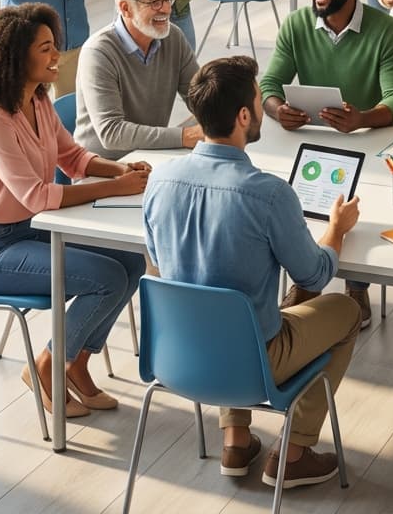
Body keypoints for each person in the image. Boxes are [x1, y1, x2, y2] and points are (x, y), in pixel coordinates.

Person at [143, 55, 361, 488]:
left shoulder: (159, 181)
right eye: (260, 101)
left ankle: (236, 441)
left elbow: (161, 265)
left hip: (177, 354)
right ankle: (294, 452)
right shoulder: (268, 195)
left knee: (218, 293)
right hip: (253, 360)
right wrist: (336, 230)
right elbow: (314, 276)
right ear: (244, 115)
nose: (263, 108)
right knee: (346, 310)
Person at [0, 4, 148, 418]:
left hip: (36, 230)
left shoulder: (39, 101)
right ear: (16, 57)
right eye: (45, 48)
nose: (56, 55)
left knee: (131, 259)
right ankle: (44, 367)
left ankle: (74, 364)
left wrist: (119, 168)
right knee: (106, 278)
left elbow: (74, 158)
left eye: (54, 46)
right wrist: (117, 187)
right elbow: (37, 197)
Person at [260, 0, 393, 327]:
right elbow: (269, 84)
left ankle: (356, 287)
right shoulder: (297, 24)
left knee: (350, 199)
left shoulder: (385, 29)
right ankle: (308, 282)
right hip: (312, 140)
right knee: (292, 203)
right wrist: (280, 111)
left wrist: (363, 117)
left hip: (365, 143)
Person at [74, 0, 202, 160]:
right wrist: (185, 136)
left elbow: (200, 97)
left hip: (150, 156)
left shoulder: (173, 36)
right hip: (104, 170)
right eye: (155, 2)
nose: (166, 9)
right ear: (125, 8)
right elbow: (112, 133)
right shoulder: (98, 53)